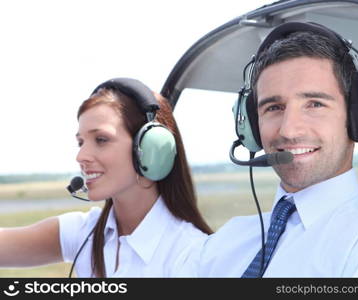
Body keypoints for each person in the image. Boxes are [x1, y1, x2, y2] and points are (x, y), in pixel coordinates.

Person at [197, 22, 358, 277]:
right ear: (252, 126)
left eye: (314, 104)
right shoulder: (226, 242)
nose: (289, 130)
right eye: (274, 108)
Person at [0, 77, 211, 277]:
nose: (81, 156)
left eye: (101, 139)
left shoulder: (190, 254)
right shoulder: (85, 233)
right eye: (81, 142)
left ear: (150, 148)